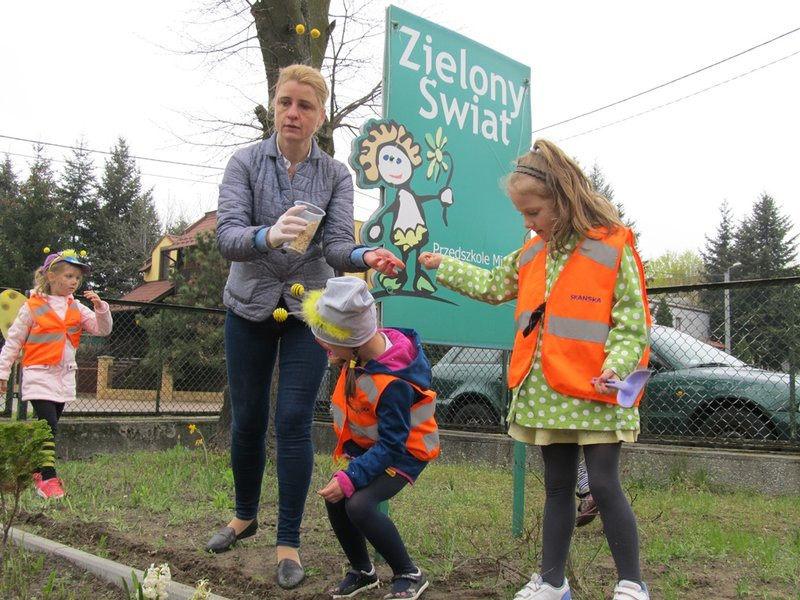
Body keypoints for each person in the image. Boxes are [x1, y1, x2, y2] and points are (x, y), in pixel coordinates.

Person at [418, 139, 652, 600]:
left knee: (604, 485)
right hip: (545, 391)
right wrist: (443, 266)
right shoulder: (531, 254)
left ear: (563, 200)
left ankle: (632, 584)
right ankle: (551, 581)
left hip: (598, 389)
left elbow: (633, 322)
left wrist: (616, 366)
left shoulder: (612, 246)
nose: (527, 223)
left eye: (534, 212)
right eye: (522, 214)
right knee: (558, 487)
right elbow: (490, 285)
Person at [210, 64, 404, 590]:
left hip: (305, 312)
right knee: (248, 419)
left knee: (293, 420)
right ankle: (244, 515)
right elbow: (226, 235)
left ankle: (288, 542)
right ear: (274, 106)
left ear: (320, 115)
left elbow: (337, 244)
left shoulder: (335, 174)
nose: (292, 113)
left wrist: (366, 254)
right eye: (284, 103)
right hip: (248, 304)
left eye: (305, 106)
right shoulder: (245, 163)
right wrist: (268, 235)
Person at [308, 276, 438, 600]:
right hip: (374, 448)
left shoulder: (392, 382)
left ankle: (409, 573)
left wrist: (353, 476)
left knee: (360, 505)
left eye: (328, 341)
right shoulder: (360, 357)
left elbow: (394, 444)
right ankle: (363, 572)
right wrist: (352, 470)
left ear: (353, 340)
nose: (323, 347)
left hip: (405, 452)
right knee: (337, 499)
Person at [0, 249, 113, 499]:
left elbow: (101, 329)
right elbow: (13, 342)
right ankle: (48, 479)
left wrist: (100, 307)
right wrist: (3, 373)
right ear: (51, 276)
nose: (74, 282)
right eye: (69, 276)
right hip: (38, 374)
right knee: (48, 425)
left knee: (48, 428)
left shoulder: (77, 307)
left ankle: (32, 470)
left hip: (64, 377)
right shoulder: (33, 306)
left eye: (78, 278)